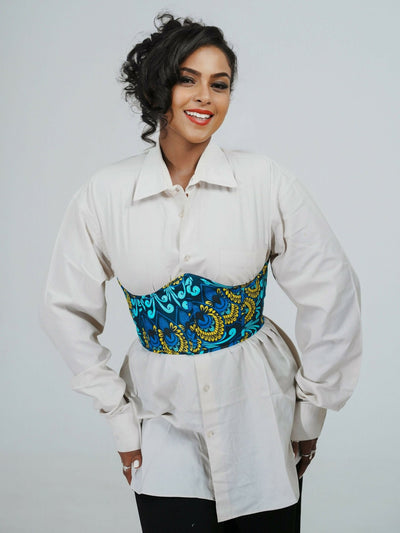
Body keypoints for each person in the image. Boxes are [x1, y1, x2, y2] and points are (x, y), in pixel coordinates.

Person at [40, 13, 362, 533]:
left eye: (220, 84)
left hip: (262, 419)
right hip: (160, 425)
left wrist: (310, 409)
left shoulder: (264, 181)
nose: (205, 97)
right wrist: (118, 417)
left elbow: (333, 290)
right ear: (158, 87)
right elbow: (65, 309)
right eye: (188, 79)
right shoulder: (104, 194)